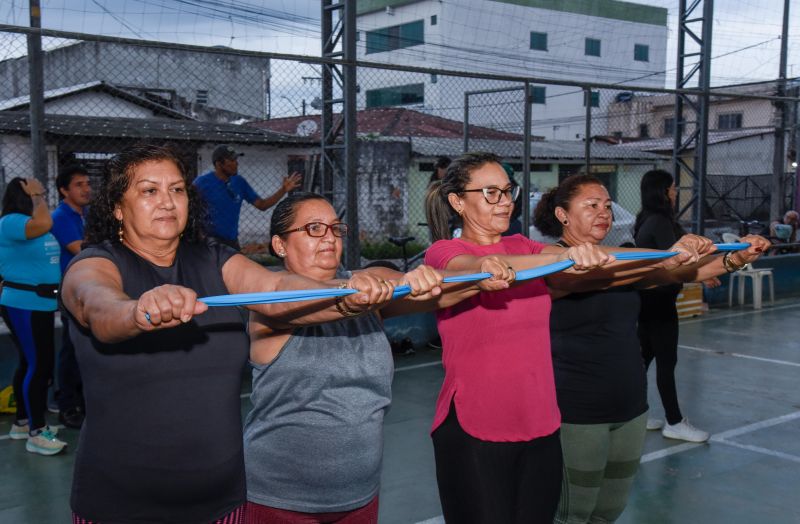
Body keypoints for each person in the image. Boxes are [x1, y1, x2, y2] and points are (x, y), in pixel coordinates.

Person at [60, 144, 413, 524]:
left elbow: (276, 293)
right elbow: (97, 306)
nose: (167, 201)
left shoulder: (214, 258)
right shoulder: (95, 263)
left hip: (221, 502)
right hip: (119, 504)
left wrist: (348, 297)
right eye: (150, 191)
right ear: (117, 206)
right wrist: (136, 311)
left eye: (177, 189)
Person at [244, 192, 510, 523]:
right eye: (313, 229)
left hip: (359, 493)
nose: (328, 237)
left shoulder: (368, 290)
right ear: (280, 245)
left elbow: (436, 291)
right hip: (279, 499)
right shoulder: (271, 305)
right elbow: (299, 298)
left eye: (334, 228)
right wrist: (359, 288)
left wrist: (471, 276)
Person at [534, 173, 770, 523]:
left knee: (608, 512)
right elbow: (585, 275)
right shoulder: (551, 258)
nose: (604, 213)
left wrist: (739, 257)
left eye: (608, 206)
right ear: (562, 215)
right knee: (573, 514)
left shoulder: (626, 261)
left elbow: (680, 274)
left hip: (630, 407)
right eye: (592, 206)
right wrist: (667, 255)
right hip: (578, 411)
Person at [424, 152, 628, 524]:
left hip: (541, 423)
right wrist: (489, 265)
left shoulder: (524, 246)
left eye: (507, 191)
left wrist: (674, 255)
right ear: (457, 202)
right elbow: (465, 268)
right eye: (490, 193)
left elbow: (598, 259)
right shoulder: (447, 251)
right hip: (476, 426)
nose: (505, 201)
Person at [634, 169, 711, 441]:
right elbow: (680, 261)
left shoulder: (648, 219)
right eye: (673, 188)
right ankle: (674, 421)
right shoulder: (659, 222)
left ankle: (635, 415)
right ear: (662, 191)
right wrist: (704, 271)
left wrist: (706, 274)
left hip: (648, 301)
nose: (676, 192)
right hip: (659, 303)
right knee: (666, 361)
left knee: (643, 360)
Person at [0, 177, 67, 456]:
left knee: (30, 362)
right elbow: (44, 224)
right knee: (39, 366)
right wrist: (39, 195)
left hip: (38, 303)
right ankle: (36, 432)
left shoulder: (28, 223)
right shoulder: (11, 221)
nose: (40, 197)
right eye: (35, 194)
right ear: (24, 195)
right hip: (24, 304)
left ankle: (22, 423)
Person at [193, 144, 302, 249]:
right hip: (208, 241)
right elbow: (189, 208)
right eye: (231, 161)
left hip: (231, 241)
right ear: (218, 164)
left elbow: (262, 205)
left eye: (236, 160)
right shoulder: (202, 183)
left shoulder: (239, 182)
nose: (236, 164)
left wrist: (283, 190)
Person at [50, 164, 92, 429]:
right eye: (79, 184)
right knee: (71, 348)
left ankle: (85, 402)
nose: (87, 188)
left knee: (87, 347)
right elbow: (79, 248)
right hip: (72, 291)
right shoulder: (61, 216)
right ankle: (67, 405)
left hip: (90, 288)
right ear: (64, 190)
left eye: (88, 183)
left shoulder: (86, 214)